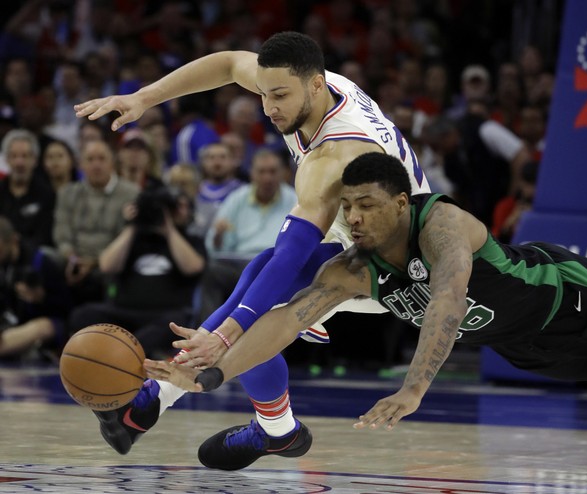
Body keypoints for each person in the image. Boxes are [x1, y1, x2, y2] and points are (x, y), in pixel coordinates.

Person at [74, 31, 430, 469]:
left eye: (279, 95)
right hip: (351, 241)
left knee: (260, 293)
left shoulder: (335, 155)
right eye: (263, 94)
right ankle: (276, 431)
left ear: (316, 85)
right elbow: (226, 64)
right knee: (258, 291)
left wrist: (227, 331)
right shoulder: (304, 82)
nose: (269, 107)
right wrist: (145, 98)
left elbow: (290, 256)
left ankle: (149, 405)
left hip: (398, 268)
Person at [145, 152, 587, 445]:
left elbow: (448, 301)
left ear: (402, 203)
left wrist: (414, 388)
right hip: (526, 347)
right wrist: (211, 376)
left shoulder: (441, 225)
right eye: (347, 207)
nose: (353, 218)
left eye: (367, 204)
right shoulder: (352, 269)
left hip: (574, 296)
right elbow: (285, 321)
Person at [68, 186, 206, 359]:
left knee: (174, 324)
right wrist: (132, 226)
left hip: (165, 314)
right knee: (83, 315)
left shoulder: (190, 240)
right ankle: (131, 350)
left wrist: (169, 229)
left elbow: (193, 267)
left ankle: (122, 353)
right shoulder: (133, 239)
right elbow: (106, 266)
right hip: (123, 313)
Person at [200, 148, 297, 322]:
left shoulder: (295, 200)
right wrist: (218, 236)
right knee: (212, 271)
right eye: (261, 172)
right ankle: (206, 331)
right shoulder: (236, 198)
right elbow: (214, 249)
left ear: (283, 173)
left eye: (273, 172)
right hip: (240, 265)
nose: (267, 178)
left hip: (275, 265)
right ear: (252, 173)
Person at [52, 139, 140, 304]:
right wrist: (73, 259)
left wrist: (94, 263)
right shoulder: (67, 193)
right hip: (71, 260)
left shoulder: (131, 193)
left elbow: (125, 237)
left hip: (109, 263)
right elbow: (61, 235)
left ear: (112, 162)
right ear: (81, 165)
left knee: (115, 270)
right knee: (46, 259)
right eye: (90, 160)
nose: (96, 165)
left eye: (101, 159)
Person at [0, 215, 72, 360]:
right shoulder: (4, 266)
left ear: (13, 241)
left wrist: (41, 298)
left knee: (41, 327)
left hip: (44, 322)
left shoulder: (41, 262)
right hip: (10, 323)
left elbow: (67, 308)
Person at [0, 129, 56, 248]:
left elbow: (45, 236)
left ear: (35, 160)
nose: (19, 162)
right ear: (6, 160)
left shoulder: (46, 194)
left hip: (34, 256)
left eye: (25, 156)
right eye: (14, 156)